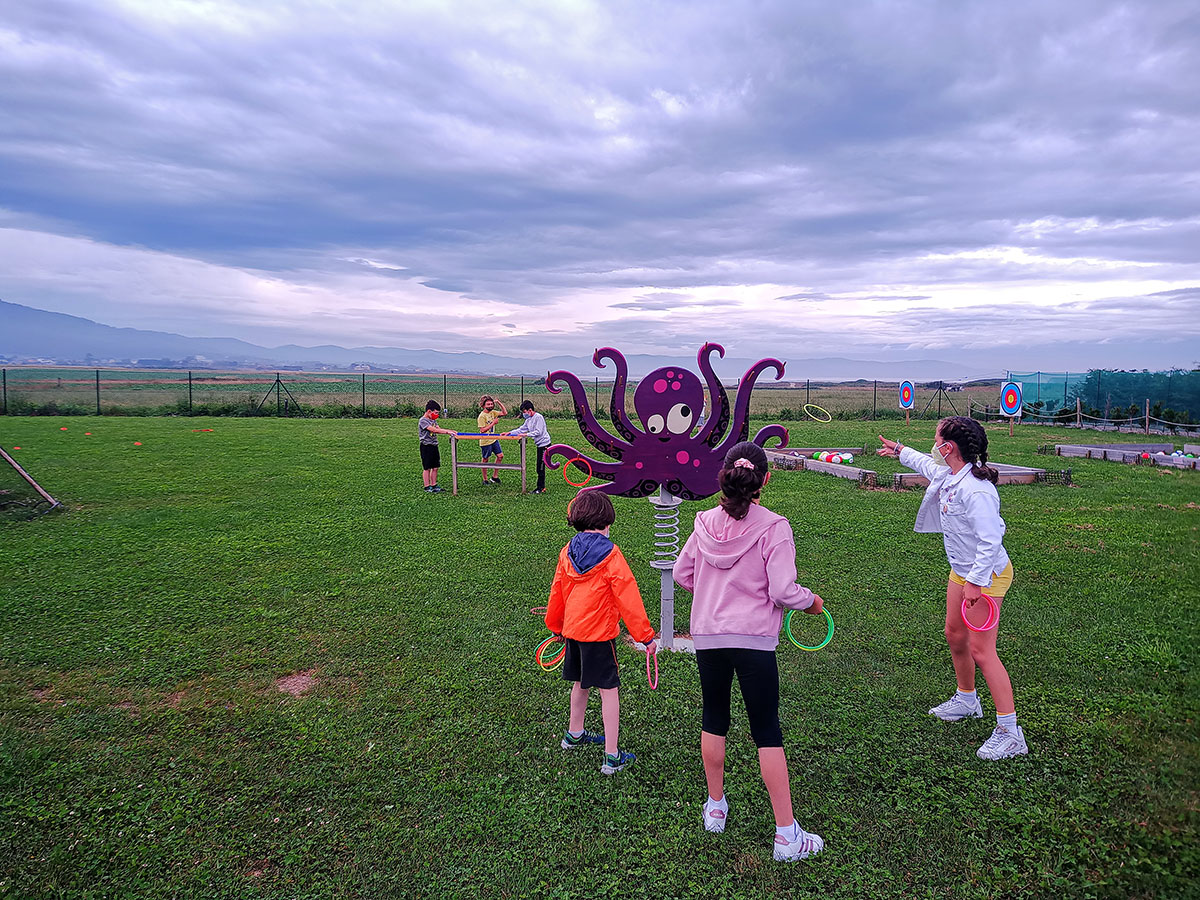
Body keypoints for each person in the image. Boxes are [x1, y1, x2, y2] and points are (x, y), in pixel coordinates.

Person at [673, 441, 826, 863]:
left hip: (709, 637)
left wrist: (710, 592)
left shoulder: (703, 521)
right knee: (766, 729)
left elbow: (684, 573)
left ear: (724, 476)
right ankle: (785, 835)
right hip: (755, 640)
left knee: (714, 718)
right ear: (765, 480)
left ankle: (716, 807)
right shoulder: (775, 526)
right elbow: (782, 590)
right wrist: (810, 601)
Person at [876, 415, 1027, 760]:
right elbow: (925, 463)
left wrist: (976, 582)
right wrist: (898, 449)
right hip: (962, 572)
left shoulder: (976, 490)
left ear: (949, 448)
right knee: (954, 635)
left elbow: (991, 541)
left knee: (982, 650)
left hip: (987, 575)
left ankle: (1010, 731)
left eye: (937, 440)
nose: (933, 446)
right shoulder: (950, 473)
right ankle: (967, 699)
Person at [544, 491, 657, 775]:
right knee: (609, 691)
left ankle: (574, 734)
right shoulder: (612, 555)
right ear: (607, 522)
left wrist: (556, 626)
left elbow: (557, 590)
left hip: (573, 632)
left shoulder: (566, 551)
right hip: (599, 635)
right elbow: (628, 597)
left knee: (580, 683)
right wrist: (645, 636)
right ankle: (611, 756)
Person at [504, 400, 552, 493]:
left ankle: (541, 488)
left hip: (545, 445)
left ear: (530, 410)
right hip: (539, 445)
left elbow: (538, 432)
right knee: (539, 467)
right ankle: (540, 487)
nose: (523, 414)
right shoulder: (528, 419)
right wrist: (509, 433)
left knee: (540, 467)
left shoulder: (538, 417)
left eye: (524, 412)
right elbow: (521, 429)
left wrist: (526, 435)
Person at [418, 400, 455, 493]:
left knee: (435, 467)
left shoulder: (433, 420)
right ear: (429, 411)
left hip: (434, 445)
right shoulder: (423, 421)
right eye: (436, 413)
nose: (437, 415)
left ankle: (434, 485)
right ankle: (427, 486)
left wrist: (450, 431)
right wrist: (447, 432)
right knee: (427, 467)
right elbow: (433, 430)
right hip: (426, 446)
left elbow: (438, 428)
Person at [477, 395, 508, 484]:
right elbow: (482, 430)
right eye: (488, 404)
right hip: (485, 441)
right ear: (483, 406)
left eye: (491, 404)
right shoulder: (482, 416)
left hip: (494, 439)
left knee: (500, 456)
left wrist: (499, 403)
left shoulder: (493, 413)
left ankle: (495, 477)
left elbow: (504, 413)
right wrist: (493, 423)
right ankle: (485, 479)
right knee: (485, 459)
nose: (490, 406)